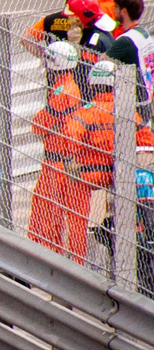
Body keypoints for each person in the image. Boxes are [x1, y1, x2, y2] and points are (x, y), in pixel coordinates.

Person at [60, 60, 154, 264]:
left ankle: (86, 259)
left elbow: (69, 140)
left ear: (93, 85)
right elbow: (147, 142)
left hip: (92, 179)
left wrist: (72, 161)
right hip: (123, 177)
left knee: (85, 221)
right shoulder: (128, 112)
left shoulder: (86, 112)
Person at [30, 41, 83, 253]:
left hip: (56, 163)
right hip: (64, 160)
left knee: (45, 215)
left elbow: (39, 125)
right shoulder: (71, 85)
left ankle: (43, 256)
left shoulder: (61, 92)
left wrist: (39, 119)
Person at [105, 0, 154, 121]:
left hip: (134, 103)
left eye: (116, 7)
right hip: (147, 95)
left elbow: (102, 61)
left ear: (124, 11)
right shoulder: (144, 33)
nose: (113, 10)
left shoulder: (126, 40)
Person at [21, 0, 93, 59]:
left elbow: (26, 39)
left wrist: (46, 57)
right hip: (80, 64)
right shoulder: (88, 20)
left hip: (54, 64)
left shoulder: (49, 19)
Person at [66, 0, 115, 95]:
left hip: (95, 95)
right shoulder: (101, 32)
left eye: (73, 17)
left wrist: (74, 46)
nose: (70, 20)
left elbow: (82, 75)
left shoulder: (94, 42)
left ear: (81, 18)